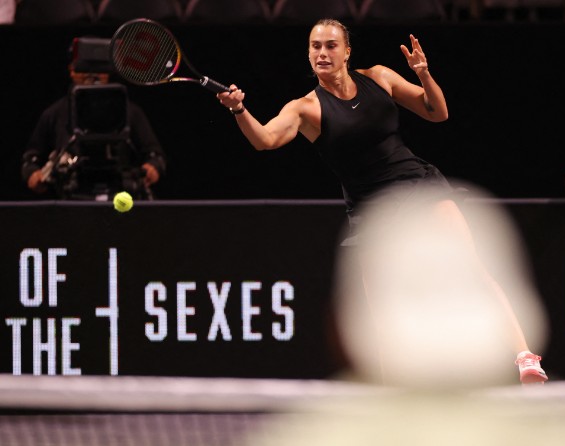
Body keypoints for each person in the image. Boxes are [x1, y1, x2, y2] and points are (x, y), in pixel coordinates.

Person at [217, 19, 547, 384]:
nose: (322, 53)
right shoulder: (305, 109)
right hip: (372, 211)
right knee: (380, 313)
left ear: (347, 51)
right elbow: (265, 139)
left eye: (330, 45)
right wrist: (238, 110)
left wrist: (424, 74)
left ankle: (525, 359)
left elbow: (436, 111)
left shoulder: (379, 77)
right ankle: (392, 394)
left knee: (472, 266)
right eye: (315, 46)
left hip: (419, 184)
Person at [22, 37, 166, 200]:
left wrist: (153, 167)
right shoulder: (54, 113)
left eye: (99, 71)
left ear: (108, 73)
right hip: (71, 199)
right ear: (71, 70)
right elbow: (31, 159)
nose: (91, 76)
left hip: (120, 196)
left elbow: (155, 155)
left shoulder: (130, 111)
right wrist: (34, 174)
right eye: (84, 70)